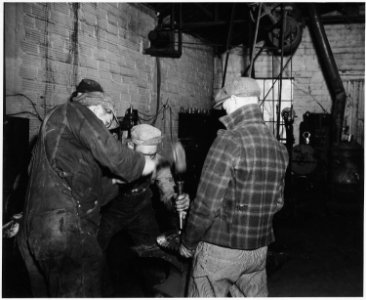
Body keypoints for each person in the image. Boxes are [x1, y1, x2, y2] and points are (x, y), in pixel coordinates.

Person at [17, 79, 158, 297]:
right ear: (95, 107)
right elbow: (115, 155)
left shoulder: (60, 141)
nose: (104, 127)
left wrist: (116, 183)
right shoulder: (73, 112)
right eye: (106, 119)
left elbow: (91, 193)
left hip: (36, 235)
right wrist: (145, 164)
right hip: (65, 231)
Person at [179, 77, 289, 297]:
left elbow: (206, 204)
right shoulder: (278, 147)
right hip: (258, 250)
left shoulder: (229, 140)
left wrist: (188, 242)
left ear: (237, 100)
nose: (224, 111)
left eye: (226, 104)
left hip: (222, 248)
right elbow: (277, 203)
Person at [98, 124, 190, 289]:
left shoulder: (159, 162)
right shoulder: (112, 160)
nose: (149, 161)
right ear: (130, 145)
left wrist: (176, 201)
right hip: (112, 210)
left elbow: (167, 192)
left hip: (141, 209)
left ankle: (156, 289)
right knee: (93, 251)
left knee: (154, 250)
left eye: (152, 155)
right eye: (143, 155)